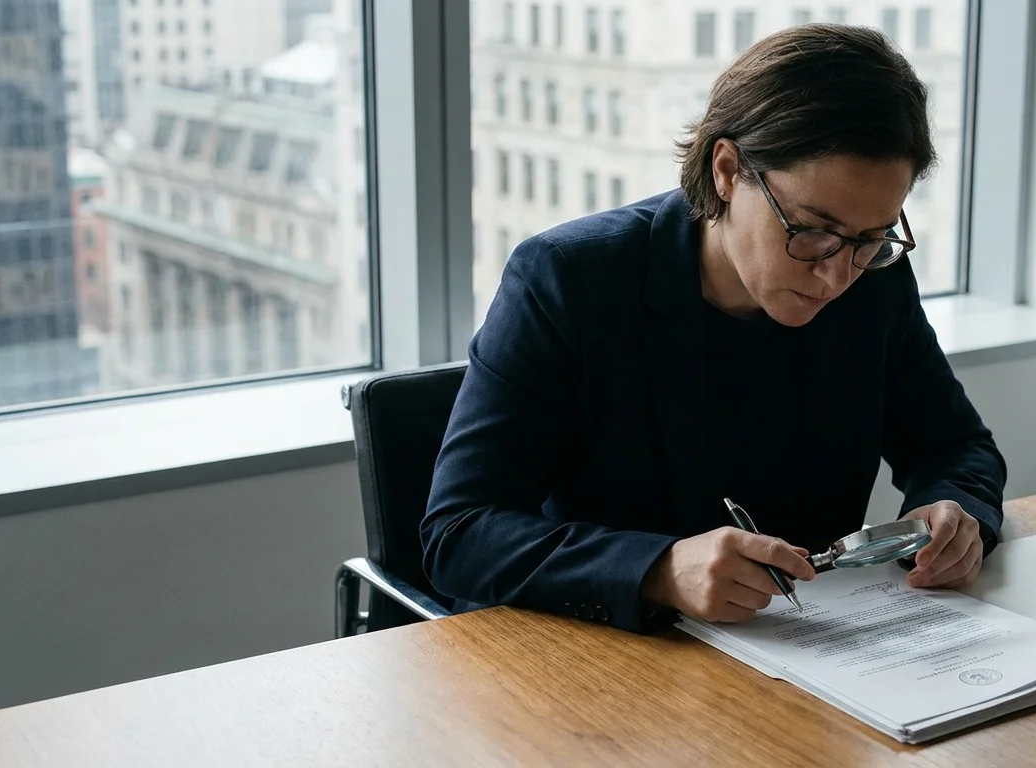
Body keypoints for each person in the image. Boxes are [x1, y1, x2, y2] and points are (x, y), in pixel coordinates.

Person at [421, 23, 1006, 633]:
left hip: (805, 651)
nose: (837, 274)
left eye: (868, 238)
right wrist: (657, 568)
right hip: (606, 660)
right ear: (727, 170)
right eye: (811, 230)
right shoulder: (568, 278)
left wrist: (956, 514)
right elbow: (459, 533)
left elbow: (955, 448)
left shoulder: (874, 277)